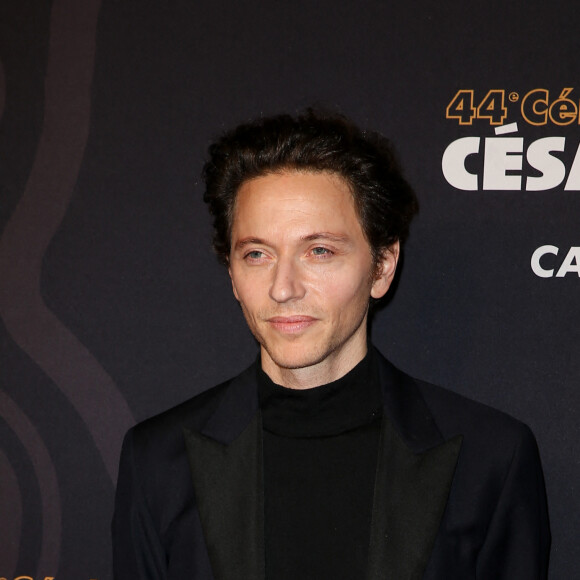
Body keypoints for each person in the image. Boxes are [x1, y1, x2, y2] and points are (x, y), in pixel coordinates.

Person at [112, 109, 550, 579]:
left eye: (318, 251)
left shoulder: (490, 461)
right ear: (233, 275)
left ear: (381, 267)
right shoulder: (157, 462)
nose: (283, 287)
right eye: (257, 254)